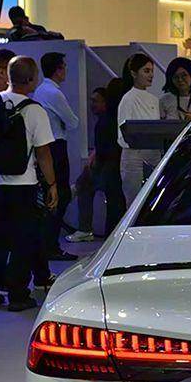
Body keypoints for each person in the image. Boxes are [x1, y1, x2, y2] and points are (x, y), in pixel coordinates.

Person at [0, 56, 58, 311]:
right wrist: (52, 185)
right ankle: (18, 295)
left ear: (8, 75)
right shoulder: (35, 110)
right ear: (31, 79)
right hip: (23, 185)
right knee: (21, 241)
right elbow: (43, 153)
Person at [31, 52, 79, 262]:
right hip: (56, 146)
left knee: (52, 196)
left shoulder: (41, 91)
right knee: (60, 195)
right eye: (64, 66)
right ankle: (50, 245)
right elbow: (73, 121)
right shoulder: (53, 93)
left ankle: (47, 243)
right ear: (58, 69)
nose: (65, 70)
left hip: (46, 146)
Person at [69, 86, 124, 242]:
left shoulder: (104, 123)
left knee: (84, 186)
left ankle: (84, 228)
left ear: (105, 102)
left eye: (95, 101)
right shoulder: (110, 121)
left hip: (108, 168)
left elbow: (103, 152)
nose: (92, 104)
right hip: (111, 166)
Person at [117, 53, 160, 207]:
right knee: (134, 203)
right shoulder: (128, 99)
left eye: (152, 71)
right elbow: (123, 132)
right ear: (134, 73)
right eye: (146, 71)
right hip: (133, 156)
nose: (151, 75)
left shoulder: (154, 99)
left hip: (153, 154)